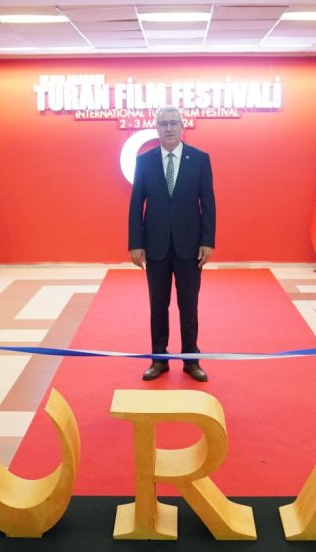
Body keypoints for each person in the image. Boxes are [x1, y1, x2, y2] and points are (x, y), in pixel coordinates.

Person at [128, 106, 216, 382]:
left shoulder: (200, 159)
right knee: (158, 305)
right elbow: (136, 205)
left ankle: (191, 360)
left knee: (189, 306)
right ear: (156, 128)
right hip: (155, 247)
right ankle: (159, 359)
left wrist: (208, 241)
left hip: (190, 247)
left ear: (182, 126)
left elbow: (208, 203)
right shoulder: (144, 161)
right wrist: (135, 243)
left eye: (173, 123)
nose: (168, 128)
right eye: (163, 124)